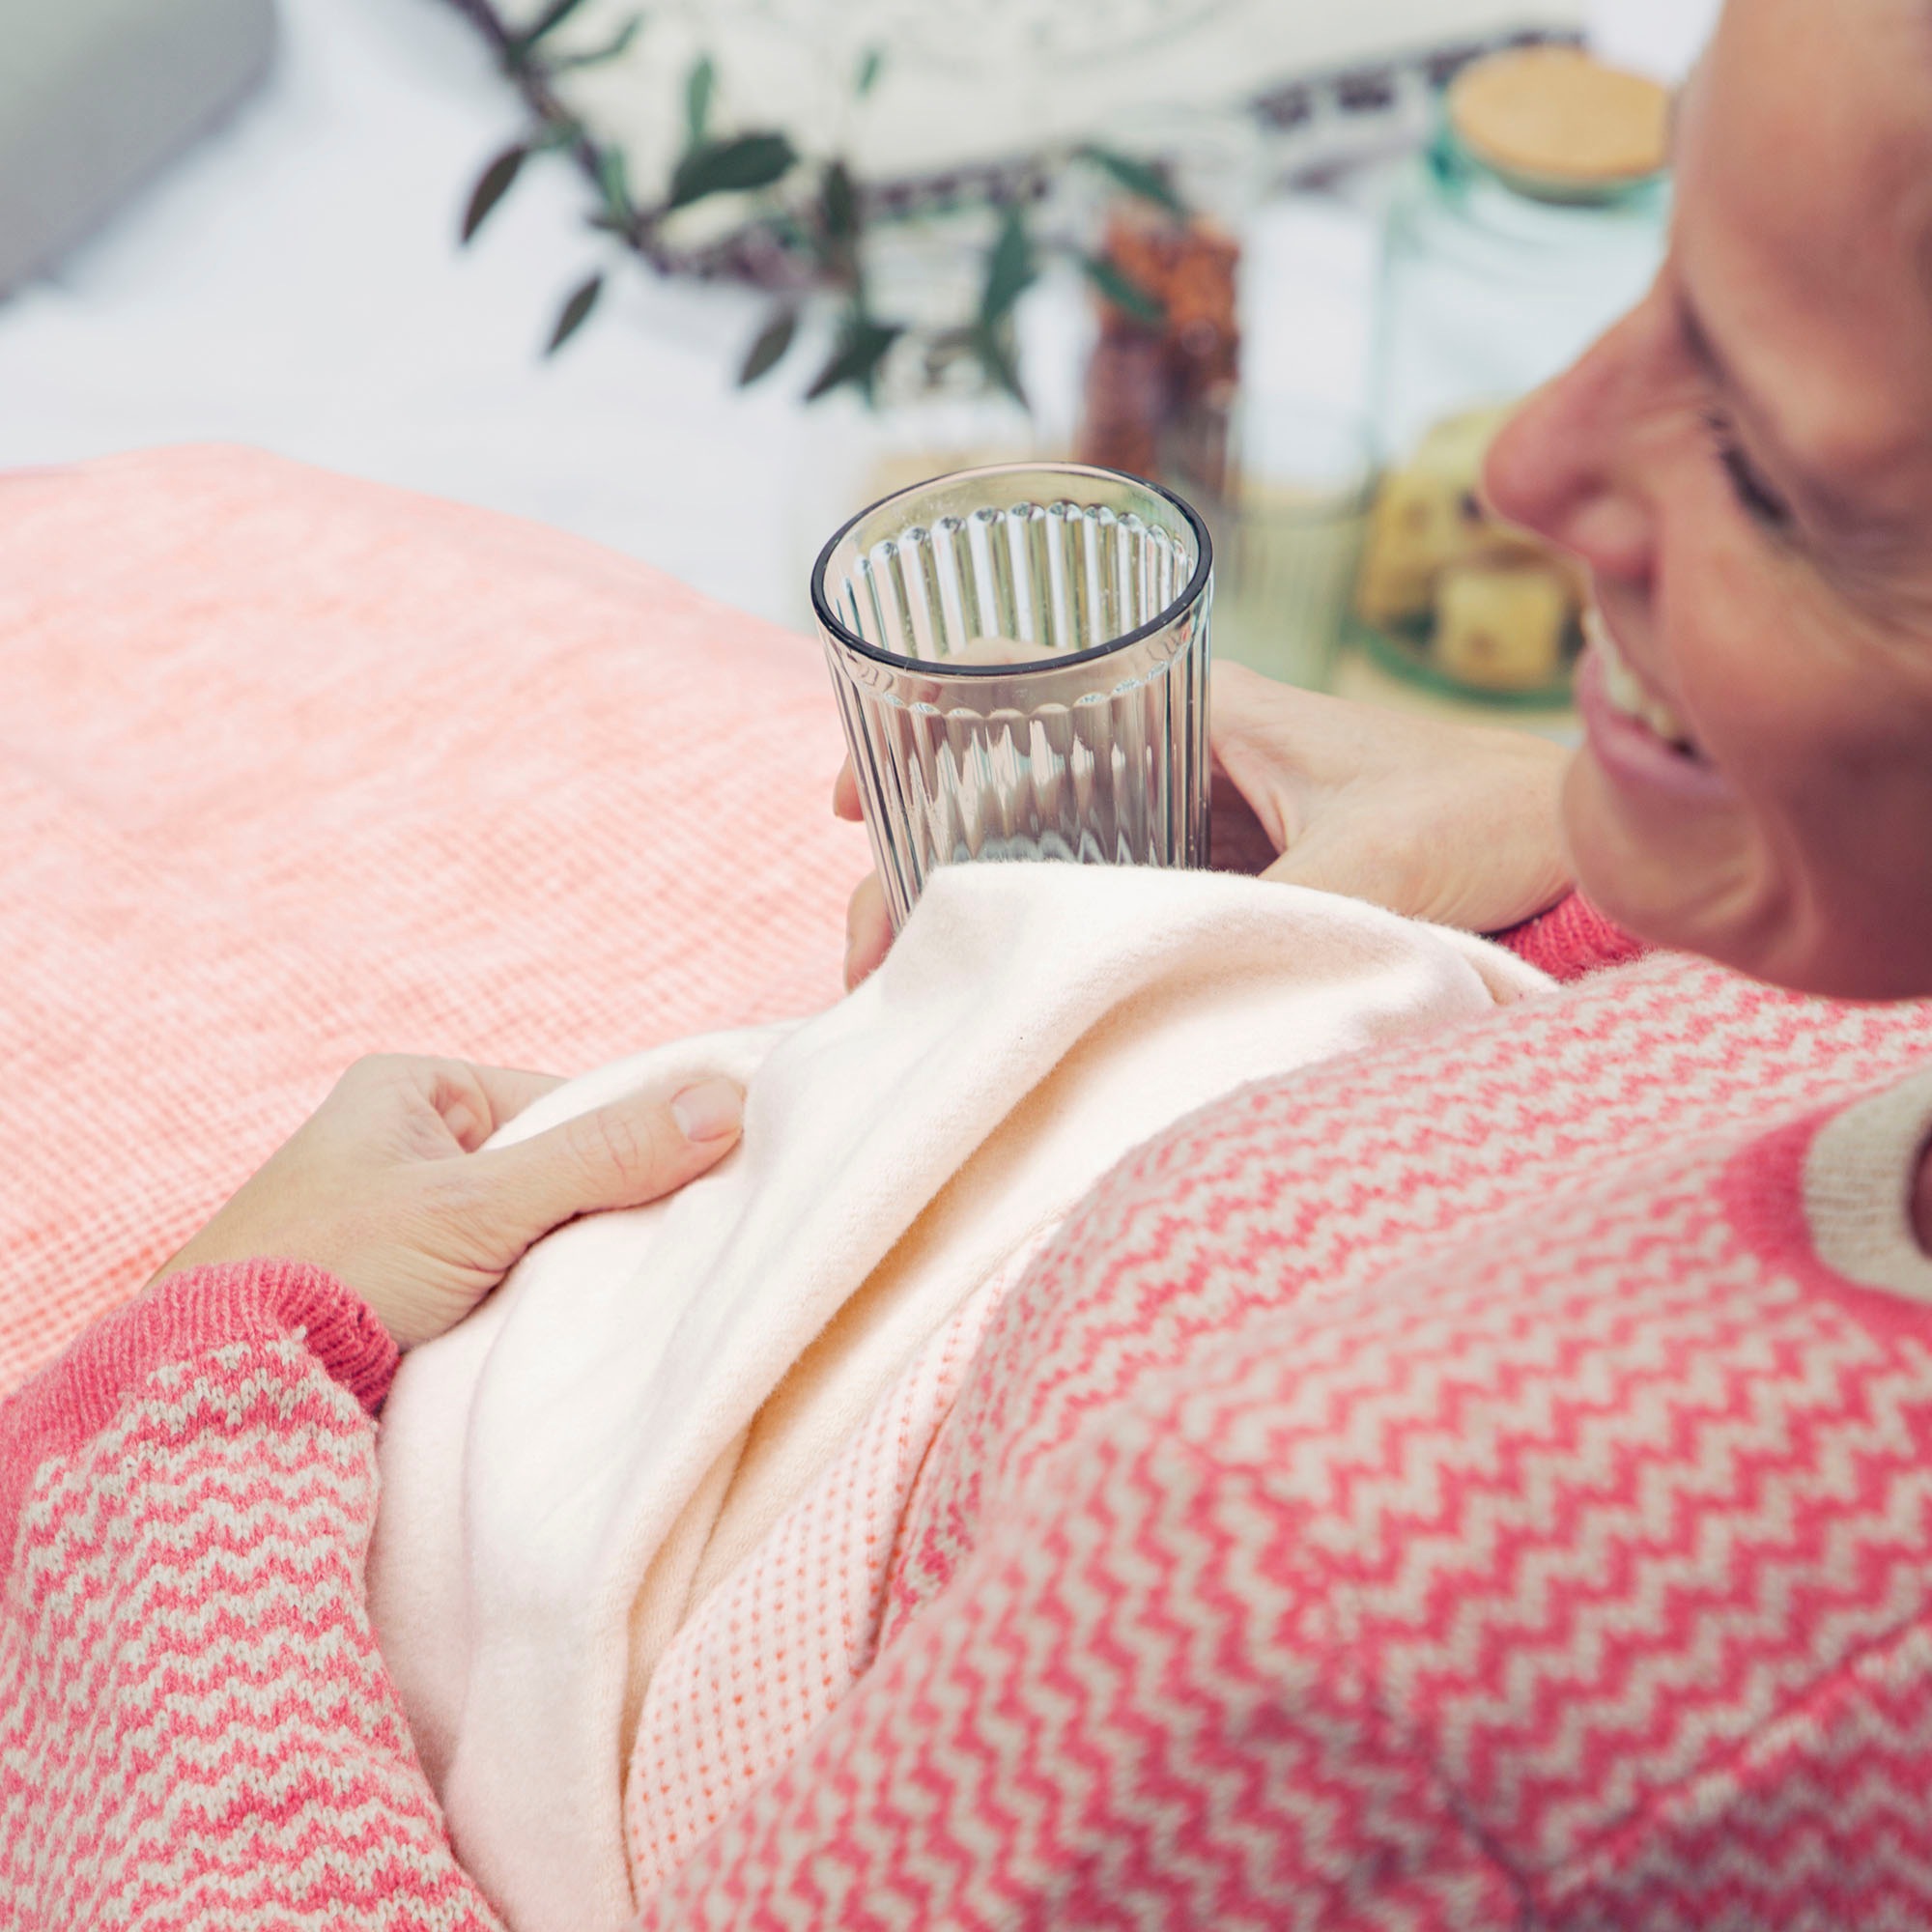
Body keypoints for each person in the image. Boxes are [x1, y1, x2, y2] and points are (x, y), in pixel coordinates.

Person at [8, 0, 1932, 1922]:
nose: (1528, 470)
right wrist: (1664, 861)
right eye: (1666, 277)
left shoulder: (1327, 1619)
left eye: (1763, 474)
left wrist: (188, 1389)